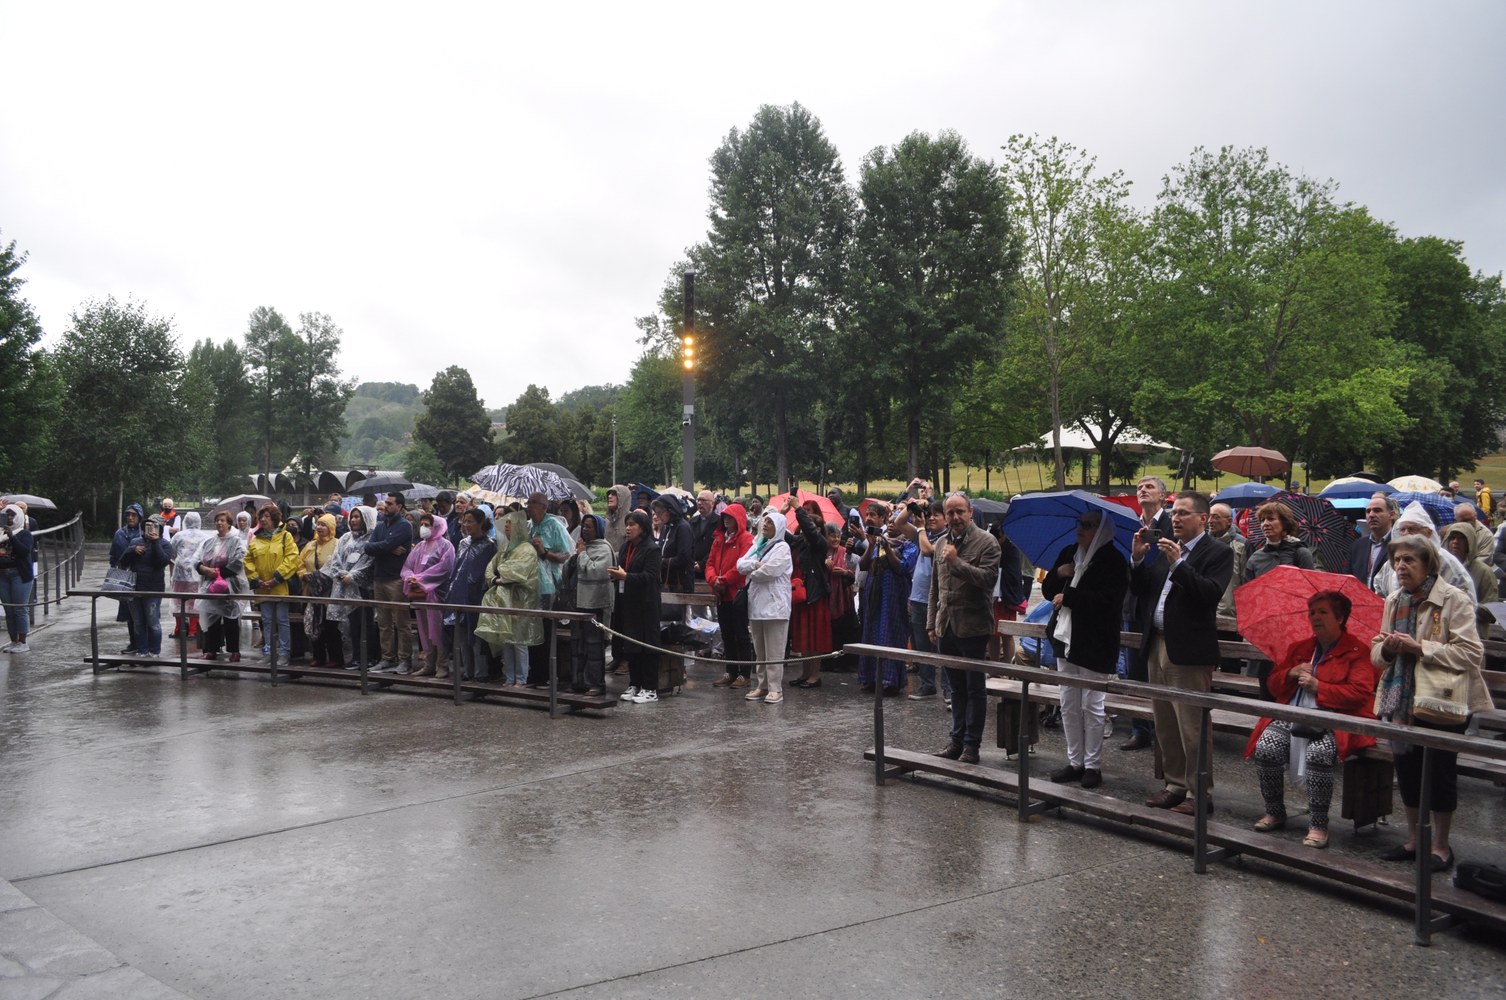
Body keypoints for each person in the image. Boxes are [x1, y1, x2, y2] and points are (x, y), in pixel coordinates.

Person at [1372, 534, 1491, 872]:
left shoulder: (1454, 598)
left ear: (1428, 565)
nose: (1401, 566)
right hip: (1401, 699)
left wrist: (1420, 647)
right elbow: (1377, 653)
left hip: (1442, 701)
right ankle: (1413, 840)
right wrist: (1388, 649)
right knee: (1407, 770)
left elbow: (1471, 653)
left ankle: (1440, 845)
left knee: (1440, 773)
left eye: (1409, 560)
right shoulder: (1394, 599)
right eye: (1397, 560)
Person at [1245, 591, 1379, 849]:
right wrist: (1290, 673)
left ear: (1340, 618)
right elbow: (1273, 686)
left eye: (1323, 612)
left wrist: (1320, 687)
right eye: (1312, 612)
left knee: (1319, 753)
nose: (1315, 617)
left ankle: (1318, 824)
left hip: (1336, 720)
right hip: (1294, 714)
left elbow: (1360, 693)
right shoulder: (1301, 648)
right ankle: (1275, 811)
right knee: (1266, 747)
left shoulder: (1357, 651)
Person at [1129, 489, 1234, 814]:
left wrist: (1178, 564)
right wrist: (1137, 559)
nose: (1175, 518)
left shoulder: (1217, 552)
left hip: (1188, 650)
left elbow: (1209, 593)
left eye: (1183, 513)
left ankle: (1198, 793)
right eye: (1174, 513)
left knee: (1192, 726)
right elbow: (1143, 590)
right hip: (1157, 644)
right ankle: (1174, 785)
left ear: (1203, 518)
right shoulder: (1166, 548)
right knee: (1165, 723)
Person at [1042, 508, 1128, 789]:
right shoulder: (1070, 552)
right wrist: (1059, 573)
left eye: (1088, 525)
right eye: (1080, 523)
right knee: (1068, 703)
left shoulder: (1113, 560)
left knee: (1092, 705)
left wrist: (1070, 596)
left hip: (1095, 642)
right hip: (1066, 638)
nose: (1081, 529)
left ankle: (1092, 765)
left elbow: (1109, 603)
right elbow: (1048, 591)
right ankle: (1075, 761)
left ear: (1102, 530)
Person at [928, 493, 1002, 765]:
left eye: (960, 511)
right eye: (950, 513)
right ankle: (956, 741)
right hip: (946, 626)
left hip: (973, 627)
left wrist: (957, 563)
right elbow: (935, 587)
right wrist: (931, 623)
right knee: (955, 689)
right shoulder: (941, 543)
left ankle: (972, 746)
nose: (955, 517)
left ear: (970, 512)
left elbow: (988, 580)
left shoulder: (987, 542)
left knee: (974, 689)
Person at [1121, 476, 1174, 752]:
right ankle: (1139, 729)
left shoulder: (1171, 524)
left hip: (1162, 606)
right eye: (1140, 487)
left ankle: (1163, 729)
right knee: (1136, 671)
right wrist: (1136, 557)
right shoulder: (1132, 524)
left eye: (1149, 487)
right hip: (1134, 604)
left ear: (1163, 496)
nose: (1142, 490)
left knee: (1161, 672)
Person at [476, 509, 543, 686]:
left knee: (519, 641)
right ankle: (509, 677)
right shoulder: (505, 548)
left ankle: (521, 678)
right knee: (506, 639)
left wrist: (500, 574)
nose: (506, 526)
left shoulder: (527, 549)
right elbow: (490, 567)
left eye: (510, 524)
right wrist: (495, 579)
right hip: (503, 599)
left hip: (521, 599)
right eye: (505, 523)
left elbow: (516, 572)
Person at [857, 501, 916, 696]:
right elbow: (864, 565)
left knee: (890, 634)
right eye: (890, 522)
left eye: (896, 523)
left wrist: (888, 549)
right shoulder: (878, 541)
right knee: (871, 634)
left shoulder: (910, 545)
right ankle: (870, 678)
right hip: (875, 596)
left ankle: (889, 680)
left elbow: (902, 567)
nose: (891, 525)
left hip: (893, 598)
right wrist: (870, 546)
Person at [736, 508, 793, 703]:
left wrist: (751, 571)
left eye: (770, 523)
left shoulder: (782, 548)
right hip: (756, 604)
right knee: (759, 650)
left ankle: (776, 688)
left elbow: (770, 572)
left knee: (774, 650)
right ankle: (762, 685)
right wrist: (754, 565)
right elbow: (740, 564)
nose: (765, 525)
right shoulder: (757, 544)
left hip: (775, 606)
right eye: (765, 521)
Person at [608, 509, 663, 704]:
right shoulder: (626, 547)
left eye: (632, 525)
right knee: (631, 645)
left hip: (647, 604)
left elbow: (650, 576)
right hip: (628, 601)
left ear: (643, 528)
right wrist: (616, 575)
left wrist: (625, 576)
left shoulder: (652, 549)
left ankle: (650, 688)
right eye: (627, 524)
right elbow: (624, 569)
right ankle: (635, 683)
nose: (628, 528)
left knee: (647, 646)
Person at [525, 491, 573, 686]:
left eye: (533, 503)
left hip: (549, 586)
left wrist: (544, 552)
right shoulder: (528, 527)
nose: (528, 506)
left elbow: (566, 555)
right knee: (531, 631)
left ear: (544, 506)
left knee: (545, 632)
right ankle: (534, 673)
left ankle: (545, 675)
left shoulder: (554, 525)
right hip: (529, 585)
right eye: (528, 502)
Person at [401, 509, 457, 677]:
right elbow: (407, 566)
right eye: (422, 524)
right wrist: (410, 578)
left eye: (427, 525)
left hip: (437, 595)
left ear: (437, 527)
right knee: (424, 630)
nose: (423, 528)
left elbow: (444, 569)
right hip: (420, 594)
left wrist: (421, 579)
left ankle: (442, 665)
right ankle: (429, 664)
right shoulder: (420, 546)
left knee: (438, 630)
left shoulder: (446, 546)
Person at [445, 506, 497, 682]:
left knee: (477, 636)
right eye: (464, 521)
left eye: (470, 522)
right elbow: (457, 569)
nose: (466, 525)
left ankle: (481, 672)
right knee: (462, 636)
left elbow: (489, 571)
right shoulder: (463, 543)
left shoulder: (489, 545)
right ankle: (467, 670)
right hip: (460, 593)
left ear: (480, 523)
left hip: (478, 595)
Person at [365, 493, 414, 673]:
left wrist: (385, 546)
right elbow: (367, 547)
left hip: (396, 578)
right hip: (379, 578)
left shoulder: (404, 526)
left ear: (399, 507)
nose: (386, 506)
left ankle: (405, 659)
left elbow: (382, 546)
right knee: (383, 623)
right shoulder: (380, 526)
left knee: (401, 622)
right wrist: (388, 547)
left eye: (390, 503)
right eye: (386, 502)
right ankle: (387, 658)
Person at [707, 503, 755, 689]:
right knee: (727, 634)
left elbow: (742, 566)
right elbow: (710, 563)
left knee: (741, 634)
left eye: (730, 517)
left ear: (738, 519)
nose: (726, 520)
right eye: (724, 517)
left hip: (737, 594)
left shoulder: (746, 539)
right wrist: (714, 580)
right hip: (722, 593)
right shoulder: (719, 539)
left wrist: (723, 580)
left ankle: (745, 673)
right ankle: (731, 671)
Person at [245, 503, 300, 663]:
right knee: (267, 621)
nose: (263, 519)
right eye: (261, 517)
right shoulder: (256, 538)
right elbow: (248, 560)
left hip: (280, 586)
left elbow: (292, 557)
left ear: (275, 518)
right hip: (262, 587)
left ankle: (284, 653)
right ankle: (268, 652)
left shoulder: (285, 536)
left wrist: (277, 578)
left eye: (267, 516)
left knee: (282, 620)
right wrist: (256, 579)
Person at [323, 504, 376, 668]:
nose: (353, 520)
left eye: (357, 517)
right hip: (345, 586)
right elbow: (336, 558)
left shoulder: (372, 538)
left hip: (362, 588)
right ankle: (356, 656)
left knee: (365, 623)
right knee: (353, 623)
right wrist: (340, 574)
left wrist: (353, 576)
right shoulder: (345, 537)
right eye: (352, 517)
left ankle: (369, 656)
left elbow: (368, 562)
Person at [195, 511, 251, 662]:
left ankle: (234, 650)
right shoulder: (208, 542)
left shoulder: (236, 541)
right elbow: (197, 558)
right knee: (211, 616)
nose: (219, 523)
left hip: (229, 586)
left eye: (222, 520)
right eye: (217, 520)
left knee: (230, 619)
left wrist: (217, 573)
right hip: (210, 585)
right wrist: (203, 569)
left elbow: (238, 562)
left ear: (229, 524)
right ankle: (211, 649)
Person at [569, 513, 614, 694]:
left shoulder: (604, 549)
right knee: (578, 645)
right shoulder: (583, 547)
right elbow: (569, 571)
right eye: (584, 526)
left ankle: (595, 684)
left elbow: (597, 571)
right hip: (578, 602)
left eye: (590, 527)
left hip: (595, 604)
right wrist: (575, 558)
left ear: (598, 529)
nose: (585, 530)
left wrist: (582, 555)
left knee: (594, 645)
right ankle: (578, 682)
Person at [904, 502, 946, 698]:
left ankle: (948, 689)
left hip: (937, 599)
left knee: (943, 645)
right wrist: (912, 507)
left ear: (946, 519)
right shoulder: (923, 534)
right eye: (929, 514)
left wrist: (920, 528)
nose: (931, 518)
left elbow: (928, 550)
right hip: (918, 597)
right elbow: (899, 522)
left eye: (937, 515)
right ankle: (927, 685)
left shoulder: (947, 538)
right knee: (921, 645)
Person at [785, 500, 831, 673]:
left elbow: (811, 532)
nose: (805, 530)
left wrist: (798, 509)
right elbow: (781, 532)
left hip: (814, 596)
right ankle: (805, 673)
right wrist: (780, 513)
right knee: (802, 637)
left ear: (818, 530)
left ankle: (814, 675)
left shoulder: (820, 544)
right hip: (800, 595)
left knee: (815, 638)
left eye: (812, 528)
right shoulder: (799, 542)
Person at [299, 513, 342, 668]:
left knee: (331, 627)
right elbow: (300, 563)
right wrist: (303, 575)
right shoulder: (310, 545)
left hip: (330, 593)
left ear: (331, 527)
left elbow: (339, 565)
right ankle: (318, 656)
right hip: (311, 591)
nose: (320, 527)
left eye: (324, 525)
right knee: (314, 623)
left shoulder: (338, 544)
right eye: (318, 524)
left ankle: (335, 657)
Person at [1442, 523, 1498, 637]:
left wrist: (1466, 603)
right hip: (1443, 631)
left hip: (1473, 633)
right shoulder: (1441, 568)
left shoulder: (1483, 571)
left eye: (1461, 538)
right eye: (1452, 538)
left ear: (1470, 542)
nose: (1455, 542)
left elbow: (1492, 611)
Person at [1241, 501, 1315, 581]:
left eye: (1271, 519)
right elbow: (1248, 587)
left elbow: (1309, 585)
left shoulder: (1301, 553)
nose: (1265, 523)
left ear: (1285, 523)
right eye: (1262, 520)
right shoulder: (1256, 557)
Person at [168, 511, 211, 642]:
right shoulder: (205, 537)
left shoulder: (178, 536)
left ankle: (179, 628)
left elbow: (171, 552)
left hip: (179, 574)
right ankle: (193, 630)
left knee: (178, 601)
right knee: (194, 602)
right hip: (196, 574)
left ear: (185, 521)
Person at [110, 503, 146, 653]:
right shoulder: (119, 534)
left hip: (143, 577)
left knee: (144, 613)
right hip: (126, 578)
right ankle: (134, 643)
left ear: (140, 517)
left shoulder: (145, 533)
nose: (130, 518)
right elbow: (114, 556)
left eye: (134, 515)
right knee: (130, 613)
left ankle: (145, 644)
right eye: (128, 515)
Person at [0, 504, 35, 653]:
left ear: (19, 516)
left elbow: (24, 551)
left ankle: (22, 642)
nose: (9, 518)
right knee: (9, 610)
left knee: (19, 608)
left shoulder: (25, 534)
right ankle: (13, 641)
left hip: (19, 575)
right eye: (6, 515)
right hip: (2, 574)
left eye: (12, 515)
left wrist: (12, 536)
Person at [1346, 493, 1397, 588]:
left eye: (1377, 510)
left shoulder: (1398, 544)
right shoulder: (1358, 545)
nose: (1371, 515)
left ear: (1391, 515)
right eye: (1368, 511)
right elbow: (1348, 579)